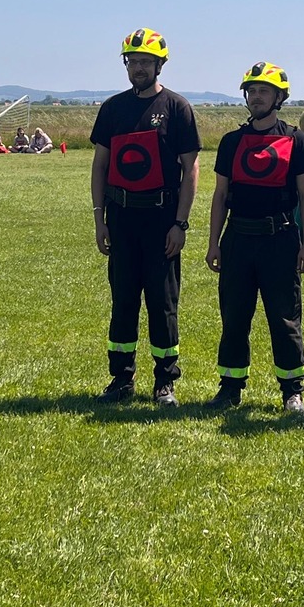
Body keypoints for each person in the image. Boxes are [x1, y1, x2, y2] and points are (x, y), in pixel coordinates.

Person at [90, 28, 201, 405]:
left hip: (161, 219)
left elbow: (191, 169)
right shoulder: (113, 108)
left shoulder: (177, 107)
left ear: (159, 65)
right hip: (122, 218)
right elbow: (100, 166)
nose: (138, 68)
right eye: (133, 61)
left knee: (162, 302)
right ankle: (121, 379)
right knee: (123, 300)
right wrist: (99, 219)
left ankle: (165, 381)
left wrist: (180, 223)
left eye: (145, 62)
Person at [206, 63, 304, 414]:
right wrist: (213, 242)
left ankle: (292, 391)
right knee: (234, 316)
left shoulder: (296, 140)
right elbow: (220, 195)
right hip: (238, 238)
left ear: (279, 97)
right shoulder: (231, 142)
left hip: (280, 239)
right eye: (252, 91)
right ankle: (230, 387)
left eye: (264, 91)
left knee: (284, 318)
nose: (256, 97)